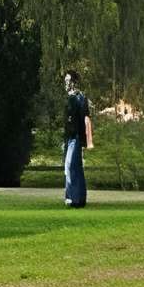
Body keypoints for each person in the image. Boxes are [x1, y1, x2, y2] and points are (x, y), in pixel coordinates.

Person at [61, 71, 92, 207]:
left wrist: (87, 141)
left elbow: (86, 119)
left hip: (76, 137)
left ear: (74, 82)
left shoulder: (80, 98)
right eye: (65, 80)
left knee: (71, 166)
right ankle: (78, 199)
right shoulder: (69, 98)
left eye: (68, 80)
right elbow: (67, 122)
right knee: (74, 167)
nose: (66, 83)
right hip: (69, 138)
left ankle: (73, 198)